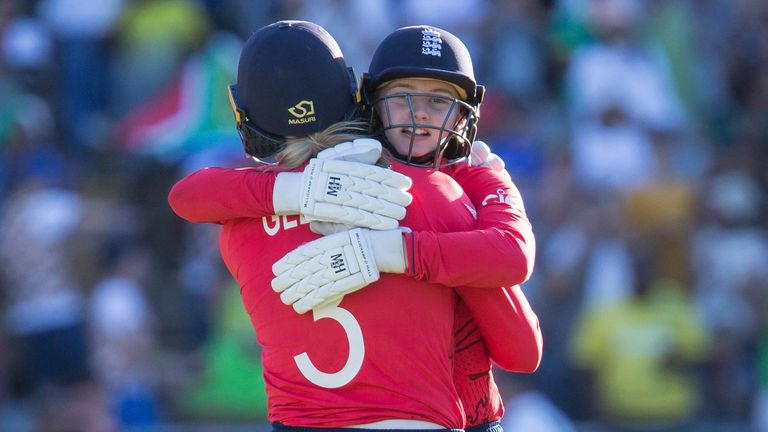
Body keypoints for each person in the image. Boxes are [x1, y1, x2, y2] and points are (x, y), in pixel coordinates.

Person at [169, 21, 541, 430]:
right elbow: (523, 350)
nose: (420, 115)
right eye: (403, 98)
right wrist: (479, 186)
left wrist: (296, 192)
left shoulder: (236, 225)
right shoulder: (435, 197)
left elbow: (186, 195)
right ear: (357, 98)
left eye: (437, 102)